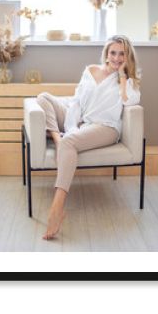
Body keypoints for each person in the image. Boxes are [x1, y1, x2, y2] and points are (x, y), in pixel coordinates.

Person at [36, 35, 141, 240]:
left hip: (105, 128)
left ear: (128, 57)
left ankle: (57, 207)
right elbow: (76, 101)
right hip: (81, 120)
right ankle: (59, 141)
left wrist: (121, 76)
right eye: (113, 52)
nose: (117, 57)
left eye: (122, 54)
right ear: (106, 53)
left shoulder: (129, 82)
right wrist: (72, 126)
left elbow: (129, 102)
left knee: (70, 141)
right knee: (43, 98)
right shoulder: (91, 70)